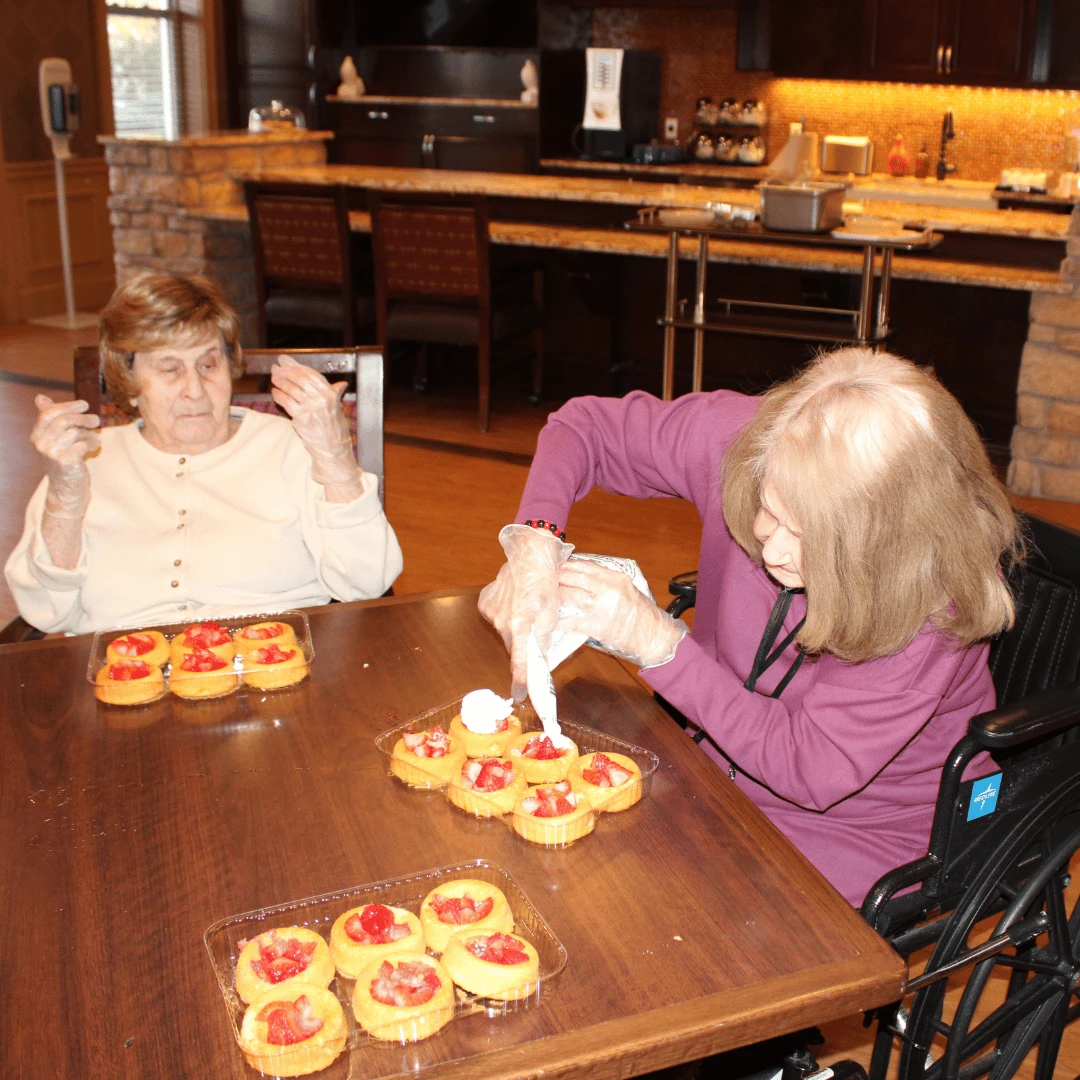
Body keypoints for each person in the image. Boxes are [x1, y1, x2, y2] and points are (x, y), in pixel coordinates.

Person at [479, 347, 1020, 907]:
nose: (773, 547)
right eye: (770, 507)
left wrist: (659, 645)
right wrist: (534, 541)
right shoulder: (761, 441)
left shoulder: (932, 599)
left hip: (865, 827)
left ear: (883, 549)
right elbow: (583, 427)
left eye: (813, 537)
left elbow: (809, 768)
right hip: (716, 762)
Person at [5, 272, 402, 633]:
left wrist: (333, 455)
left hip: (275, 668)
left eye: (209, 365)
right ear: (128, 380)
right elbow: (45, 613)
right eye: (169, 369)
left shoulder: (292, 446)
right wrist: (64, 497)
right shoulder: (84, 463)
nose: (194, 390)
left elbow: (366, 582)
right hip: (124, 679)